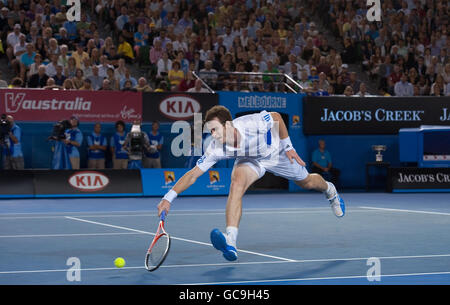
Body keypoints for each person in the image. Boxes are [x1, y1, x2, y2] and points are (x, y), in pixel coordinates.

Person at [156, 105, 345, 261]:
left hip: (275, 153)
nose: (212, 134)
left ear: (228, 125)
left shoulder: (251, 124)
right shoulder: (215, 148)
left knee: (307, 182)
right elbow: (193, 174)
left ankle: (330, 190)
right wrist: (168, 197)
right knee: (236, 184)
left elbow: (277, 117)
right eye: (210, 131)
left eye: (215, 129)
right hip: (250, 161)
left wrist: (288, 146)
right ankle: (231, 240)